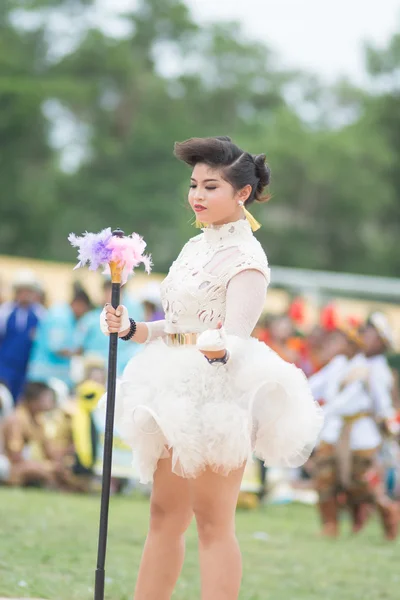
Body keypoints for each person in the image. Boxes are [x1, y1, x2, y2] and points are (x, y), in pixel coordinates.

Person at [102, 136, 322, 599]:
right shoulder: (193, 247)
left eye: (211, 187)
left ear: (242, 193)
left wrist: (219, 349)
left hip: (217, 394)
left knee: (212, 522)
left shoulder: (247, 261)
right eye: (194, 185)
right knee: (163, 514)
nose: (197, 196)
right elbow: (179, 326)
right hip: (170, 389)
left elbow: (234, 340)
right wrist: (131, 328)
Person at [314, 312, 399, 540]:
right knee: (325, 478)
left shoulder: (374, 369)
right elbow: (312, 387)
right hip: (333, 431)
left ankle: (389, 514)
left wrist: (389, 425)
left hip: (361, 434)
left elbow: (383, 404)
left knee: (364, 486)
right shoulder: (338, 364)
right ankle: (330, 525)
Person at [75, 279, 144, 376]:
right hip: (95, 373)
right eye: (108, 291)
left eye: (118, 291)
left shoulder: (129, 320)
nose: (112, 295)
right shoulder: (89, 319)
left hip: (122, 373)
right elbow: (78, 348)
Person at [1, 381, 65, 487]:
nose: (51, 401)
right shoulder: (17, 418)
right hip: (9, 465)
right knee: (39, 471)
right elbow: (15, 457)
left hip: (24, 464)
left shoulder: (38, 420)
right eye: (47, 398)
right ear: (34, 400)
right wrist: (45, 467)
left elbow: (50, 453)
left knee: (59, 469)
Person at [28, 287, 92, 388]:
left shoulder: (69, 317)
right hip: (46, 375)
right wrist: (78, 352)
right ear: (79, 304)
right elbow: (57, 348)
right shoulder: (60, 317)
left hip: (56, 375)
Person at [0, 269, 46, 402]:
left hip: (28, 366)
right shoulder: (5, 311)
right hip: (5, 365)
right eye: (21, 291)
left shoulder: (40, 314)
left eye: (28, 291)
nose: (25, 295)